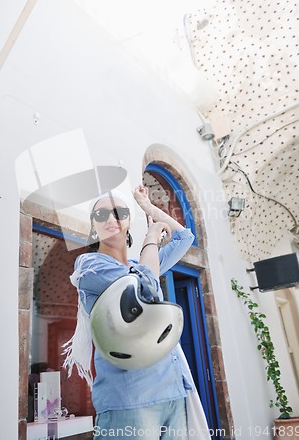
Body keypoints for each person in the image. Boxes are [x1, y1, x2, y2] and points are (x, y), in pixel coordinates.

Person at [63, 185, 210, 439]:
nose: (111, 219)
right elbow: (146, 286)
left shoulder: (139, 263)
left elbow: (184, 238)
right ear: (92, 226)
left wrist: (148, 207)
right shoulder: (89, 265)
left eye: (119, 212)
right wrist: (151, 238)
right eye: (100, 215)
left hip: (173, 391)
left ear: (129, 219)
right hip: (130, 397)